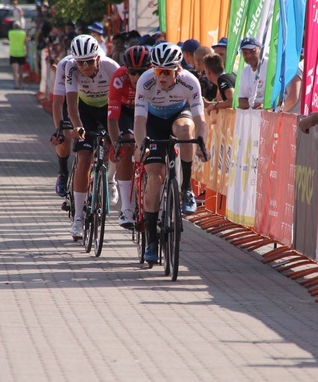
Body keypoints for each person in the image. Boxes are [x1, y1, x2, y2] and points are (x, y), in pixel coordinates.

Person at [133, 42, 211, 263]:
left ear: (178, 69)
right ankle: (151, 241)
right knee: (155, 179)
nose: (162, 76)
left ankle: (186, 188)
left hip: (178, 115)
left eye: (167, 71)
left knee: (187, 130)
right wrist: (141, 144)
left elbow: (200, 120)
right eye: (158, 70)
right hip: (154, 122)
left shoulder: (190, 81)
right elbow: (139, 121)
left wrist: (203, 142)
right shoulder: (145, 81)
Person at [66, 35, 121, 240]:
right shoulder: (70, 69)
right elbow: (71, 104)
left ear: (98, 58)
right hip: (85, 110)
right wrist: (78, 127)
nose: (86, 66)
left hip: (110, 108)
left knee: (116, 145)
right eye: (81, 63)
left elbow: (120, 101)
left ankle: (111, 179)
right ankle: (78, 218)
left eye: (90, 61)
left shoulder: (111, 67)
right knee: (84, 159)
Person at [108, 45, 151, 228]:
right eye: (132, 72)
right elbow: (112, 118)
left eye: (141, 72)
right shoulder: (119, 78)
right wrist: (116, 143)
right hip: (126, 111)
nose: (137, 77)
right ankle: (126, 208)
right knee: (126, 144)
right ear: (126, 70)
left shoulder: (154, 78)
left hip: (149, 111)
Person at [51, 53, 75, 199]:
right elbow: (58, 102)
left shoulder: (102, 62)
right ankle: (63, 172)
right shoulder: (64, 65)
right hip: (68, 101)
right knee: (65, 138)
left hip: (89, 101)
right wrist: (59, 130)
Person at [237, 36, 268, 109]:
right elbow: (241, 100)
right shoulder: (245, 72)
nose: (249, 55)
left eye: (253, 51)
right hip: (253, 115)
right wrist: (254, 108)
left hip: (269, 114)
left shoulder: (270, 67)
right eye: (245, 53)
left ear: (260, 49)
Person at [8, 22, 27, 90]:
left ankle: (16, 84)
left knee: (15, 71)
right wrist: (26, 53)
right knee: (21, 71)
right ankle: (20, 85)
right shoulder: (23, 33)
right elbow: (26, 43)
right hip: (21, 54)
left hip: (13, 53)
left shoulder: (10, 33)